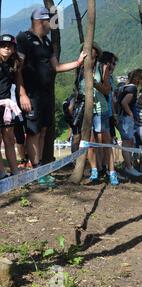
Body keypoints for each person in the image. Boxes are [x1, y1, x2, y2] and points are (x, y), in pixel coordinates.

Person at [16, 7, 87, 186]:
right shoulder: (24, 38)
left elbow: (56, 67)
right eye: (50, 21)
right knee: (33, 131)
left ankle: (41, 170)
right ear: (41, 21)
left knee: (43, 131)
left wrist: (78, 62)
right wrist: (22, 93)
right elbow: (17, 68)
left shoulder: (46, 42)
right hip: (30, 94)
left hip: (46, 94)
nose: (52, 25)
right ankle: (36, 171)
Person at [77, 42, 118, 185]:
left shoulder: (103, 67)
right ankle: (94, 170)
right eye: (86, 52)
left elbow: (107, 90)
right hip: (87, 110)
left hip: (101, 110)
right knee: (90, 142)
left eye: (92, 53)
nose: (89, 55)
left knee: (104, 141)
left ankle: (111, 171)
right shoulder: (80, 69)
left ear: (97, 54)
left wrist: (95, 83)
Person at [0, 34, 31, 179]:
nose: (6, 48)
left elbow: (19, 81)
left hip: (7, 107)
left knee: (9, 140)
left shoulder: (13, 64)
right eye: (3, 45)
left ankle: (15, 173)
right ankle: (1, 174)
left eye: (9, 46)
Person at [117, 68, 142, 178]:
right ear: (139, 79)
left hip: (122, 117)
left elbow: (117, 101)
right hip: (126, 119)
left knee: (128, 142)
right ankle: (129, 167)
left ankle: (128, 165)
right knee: (127, 142)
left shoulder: (124, 87)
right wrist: (131, 115)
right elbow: (124, 102)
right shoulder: (132, 89)